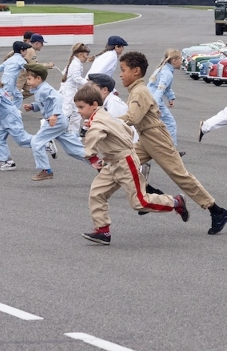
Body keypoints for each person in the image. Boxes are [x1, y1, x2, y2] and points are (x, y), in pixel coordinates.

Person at [121, 52, 227, 234]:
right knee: (123, 165)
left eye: (123, 70)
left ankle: (217, 211)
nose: (120, 74)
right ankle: (151, 193)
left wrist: (106, 121)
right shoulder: (138, 88)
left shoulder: (139, 91)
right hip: (145, 137)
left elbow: (132, 117)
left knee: (180, 175)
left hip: (156, 138)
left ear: (136, 71)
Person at [78, 84, 182, 245]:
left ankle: (175, 202)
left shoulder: (98, 121)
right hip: (112, 162)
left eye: (81, 107)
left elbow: (94, 136)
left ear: (94, 105)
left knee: (139, 202)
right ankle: (103, 231)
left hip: (125, 162)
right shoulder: (103, 115)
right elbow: (126, 129)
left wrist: (91, 157)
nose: (78, 111)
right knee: (97, 193)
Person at [21, 64, 85, 180]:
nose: (27, 81)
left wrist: (55, 115)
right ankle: (96, 161)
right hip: (59, 121)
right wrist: (33, 106)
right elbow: (45, 104)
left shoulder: (44, 89)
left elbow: (58, 98)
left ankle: (46, 170)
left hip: (55, 121)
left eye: (29, 79)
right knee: (72, 148)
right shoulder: (39, 89)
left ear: (38, 78)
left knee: (36, 142)